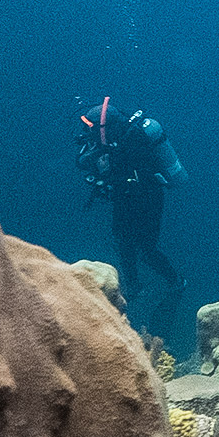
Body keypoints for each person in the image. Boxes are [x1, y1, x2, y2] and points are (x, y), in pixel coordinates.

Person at [77, 99, 187, 331]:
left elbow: (137, 176)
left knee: (146, 248)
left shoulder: (132, 140)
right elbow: (89, 162)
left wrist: (108, 173)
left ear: (104, 127)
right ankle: (134, 285)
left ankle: (176, 282)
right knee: (122, 242)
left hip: (148, 199)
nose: (89, 133)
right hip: (125, 199)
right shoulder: (114, 140)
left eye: (91, 128)